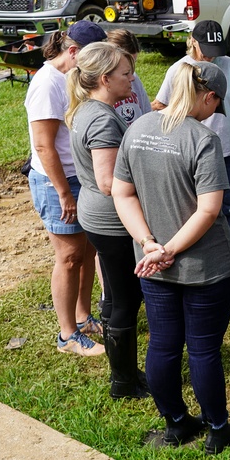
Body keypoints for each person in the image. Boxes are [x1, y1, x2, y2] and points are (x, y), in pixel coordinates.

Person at [112, 61, 230, 454]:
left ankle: (175, 423)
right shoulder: (202, 140)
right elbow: (209, 210)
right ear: (208, 97)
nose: (215, 114)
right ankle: (218, 429)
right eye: (216, 106)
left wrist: (149, 244)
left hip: (151, 264)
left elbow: (122, 193)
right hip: (205, 266)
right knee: (204, 349)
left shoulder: (137, 127)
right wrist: (169, 250)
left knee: (163, 345)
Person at [154, 20, 230, 275]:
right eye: (205, 47)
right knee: (192, 206)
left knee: (228, 206)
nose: (210, 54)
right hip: (189, 149)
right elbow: (160, 104)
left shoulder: (227, 64)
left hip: (225, 148)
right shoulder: (179, 70)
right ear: (192, 41)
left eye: (216, 48)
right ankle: (194, 255)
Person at [66, 42, 149, 399]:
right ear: (104, 79)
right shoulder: (101, 118)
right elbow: (106, 180)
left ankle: (124, 374)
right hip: (111, 222)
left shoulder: (88, 108)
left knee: (116, 295)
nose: (132, 80)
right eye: (126, 74)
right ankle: (124, 382)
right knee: (127, 301)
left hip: (95, 214)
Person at [25, 20, 107, 357]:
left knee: (87, 250)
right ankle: (67, 335)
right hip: (56, 181)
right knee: (69, 257)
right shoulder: (47, 84)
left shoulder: (72, 77)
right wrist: (63, 193)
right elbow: (44, 147)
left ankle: (83, 316)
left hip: (79, 176)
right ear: (72, 52)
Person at [105, 29, 152, 126]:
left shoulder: (134, 79)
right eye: (127, 65)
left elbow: (147, 113)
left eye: (133, 63)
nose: (131, 74)